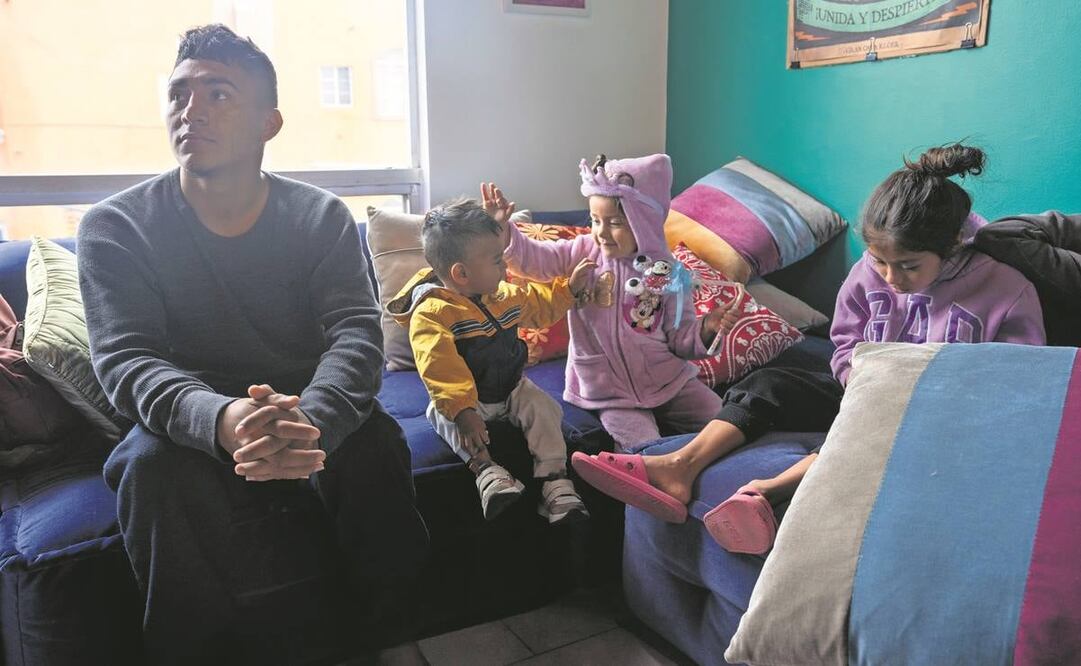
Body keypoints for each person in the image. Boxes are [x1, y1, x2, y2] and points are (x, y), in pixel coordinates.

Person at [77, 24, 427, 664]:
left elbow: (355, 333)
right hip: (186, 416)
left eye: (218, 94)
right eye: (180, 93)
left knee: (377, 443)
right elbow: (125, 360)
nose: (192, 110)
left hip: (306, 402)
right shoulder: (116, 227)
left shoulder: (319, 217)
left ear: (270, 123)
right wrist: (222, 419)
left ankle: (386, 633)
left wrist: (312, 419)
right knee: (148, 471)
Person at [571, 143, 1046, 554]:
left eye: (908, 267)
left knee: (876, 429)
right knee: (771, 383)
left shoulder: (1005, 289)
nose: (889, 278)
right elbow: (844, 342)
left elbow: (1023, 385)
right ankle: (679, 466)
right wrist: (853, 376)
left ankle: (767, 493)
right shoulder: (869, 273)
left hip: (939, 419)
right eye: (879, 260)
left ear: (952, 248)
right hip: (863, 393)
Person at [483, 154, 736, 459]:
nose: (601, 231)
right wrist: (505, 231)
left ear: (645, 222)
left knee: (725, 422)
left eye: (614, 223)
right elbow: (536, 261)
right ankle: (659, 482)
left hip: (669, 381)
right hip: (609, 390)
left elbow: (681, 339)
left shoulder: (666, 270)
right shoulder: (582, 251)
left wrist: (708, 328)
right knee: (641, 449)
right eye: (595, 220)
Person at [388, 199, 594, 524]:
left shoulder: (503, 296)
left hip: (512, 388)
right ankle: (486, 471)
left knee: (545, 408)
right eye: (498, 261)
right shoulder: (433, 313)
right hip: (472, 398)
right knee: (443, 415)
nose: (504, 268)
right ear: (462, 273)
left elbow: (539, 305)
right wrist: (463, 409)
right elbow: (437, 365)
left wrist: (569, 289)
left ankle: (555, 481)